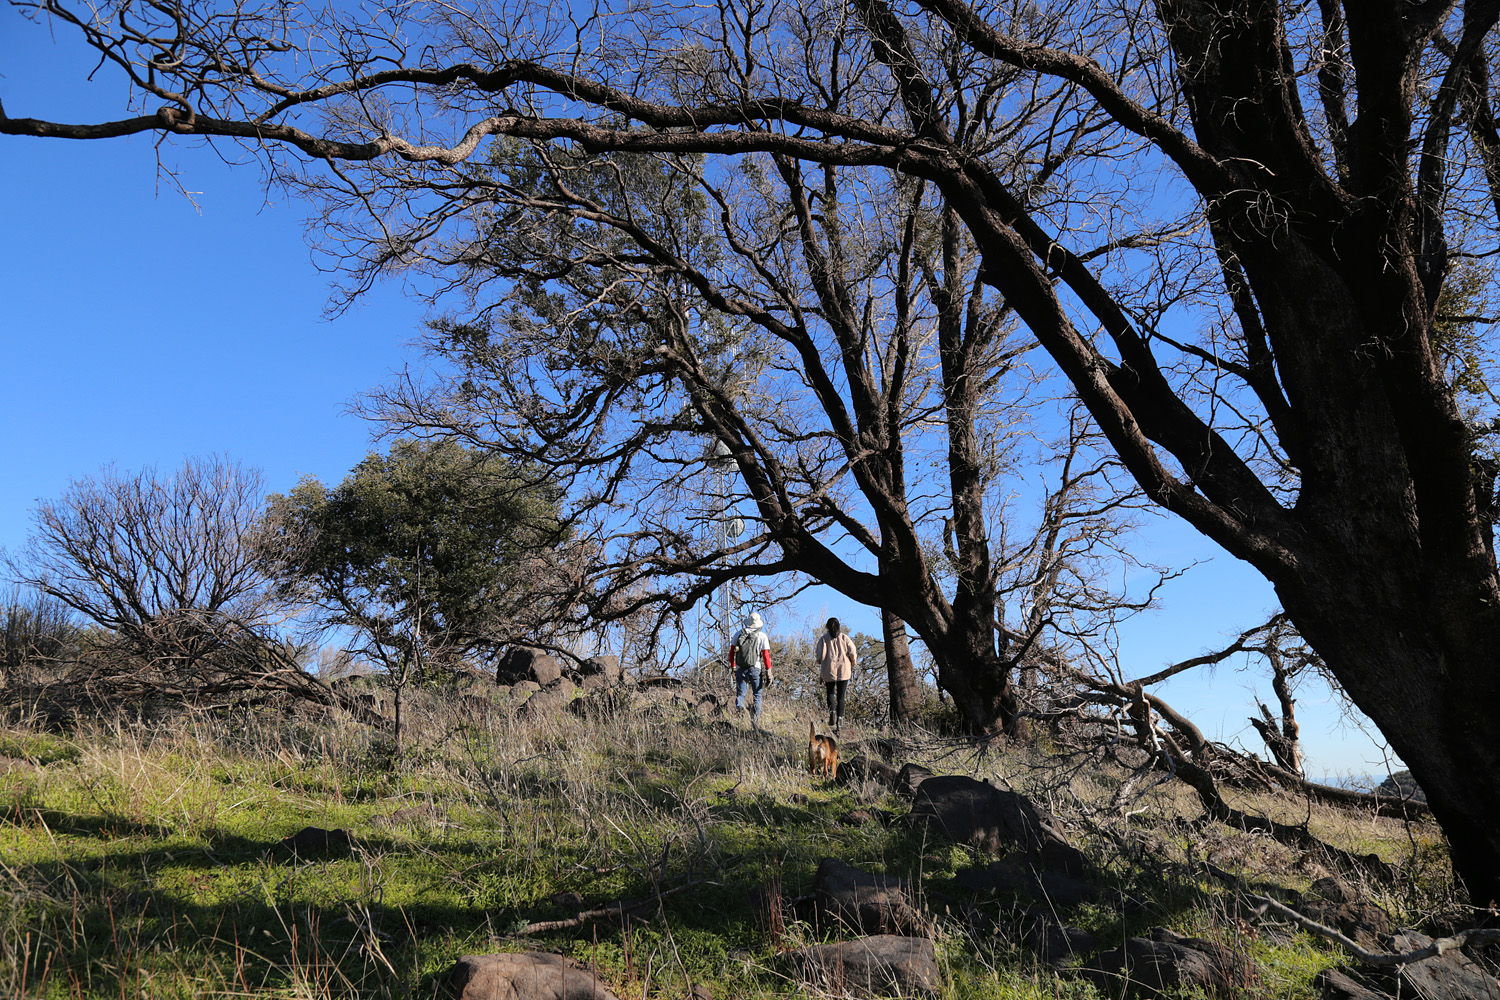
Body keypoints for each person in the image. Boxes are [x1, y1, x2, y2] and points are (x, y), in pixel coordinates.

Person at [728, 611, 775, 732]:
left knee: (741, 694)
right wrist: (769, 671)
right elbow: (766, 655)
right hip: (756, 668)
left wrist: (733, 667)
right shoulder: (762, 636)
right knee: (757, 696)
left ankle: (739, 716)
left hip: (740, 668)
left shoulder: (738, 634)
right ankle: (755, 722)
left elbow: (731, 652)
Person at [815, 616, 858, 732]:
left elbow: (820, 655)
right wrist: (852, 663)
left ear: (827, 627)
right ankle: (840, 720)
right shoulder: (845, 638)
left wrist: (820, 662)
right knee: (841, 696)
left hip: (828, 669)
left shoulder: (823, 639)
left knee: (830, 693)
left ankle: (831, 714)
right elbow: (853, 652)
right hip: (844, 669)